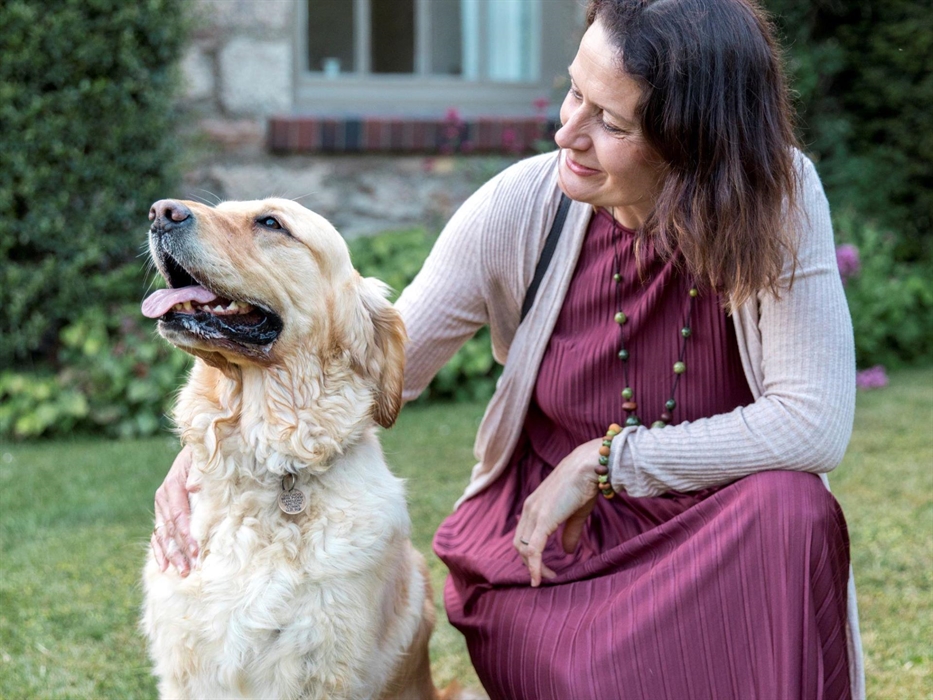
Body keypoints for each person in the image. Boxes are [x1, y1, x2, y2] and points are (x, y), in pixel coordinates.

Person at [151, 0, 863, 697]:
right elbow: (360, 362)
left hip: (721, 530)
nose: (567, 134)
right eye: (572, 93)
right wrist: (211, 452)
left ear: (694, 142)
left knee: (790, 507)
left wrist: (606, 461)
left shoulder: (776, 199)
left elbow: (810, 424)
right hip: (552, 546)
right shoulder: (518, 206)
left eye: (609, 121)